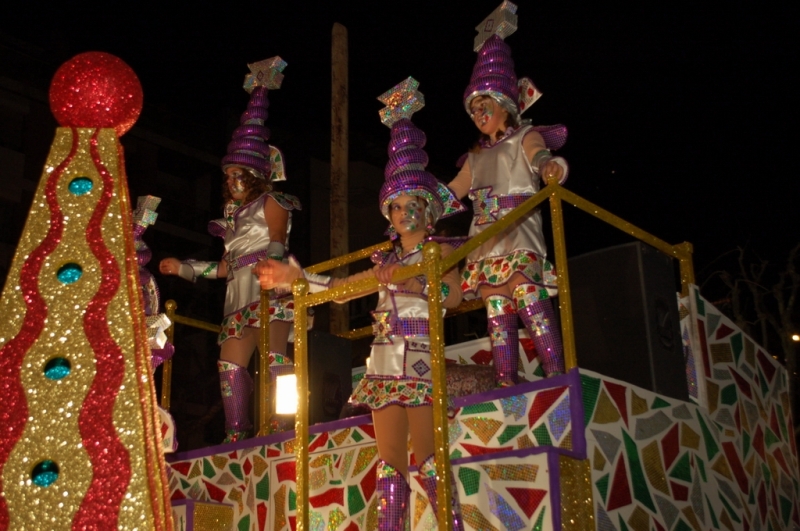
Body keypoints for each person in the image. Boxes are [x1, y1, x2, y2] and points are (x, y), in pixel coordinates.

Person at [255, 78, 465, 531]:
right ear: (387, 214)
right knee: (390, 462)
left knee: (427, 456)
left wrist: (419, 283)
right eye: (396, 205)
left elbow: (455, 293)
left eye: (413, 204)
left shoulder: (439, 251)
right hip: (383, 364)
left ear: (430, 211)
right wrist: (297, 277)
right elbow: (343, 289)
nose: (404, 212)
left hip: (420, 362)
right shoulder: (385, 261)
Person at [159, 57, 300, 443]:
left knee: (276, 359)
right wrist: (185, 269)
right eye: (229, 176)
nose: (233, 181)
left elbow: (275, 240)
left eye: (240, 174)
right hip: (237, 298)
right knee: (229, 366)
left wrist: (273, 273)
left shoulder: (273, 202)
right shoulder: (232, 220)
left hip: (269, 288)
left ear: (256, 175)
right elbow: (224, 267)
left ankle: (283, 427)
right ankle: (236, 433)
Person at [448, 6, 569, 385]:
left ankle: (557, 377)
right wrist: (422, 203)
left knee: (530, 303)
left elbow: (541, 158)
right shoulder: (475, 156)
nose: (479, 113)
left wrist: (550, 167)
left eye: (485, 105)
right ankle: (505, 382)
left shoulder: (523, 136)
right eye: (473, 109)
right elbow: (452, 191)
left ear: (507, 105)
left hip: (518, 230)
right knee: (497, 312)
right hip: (485, 239)